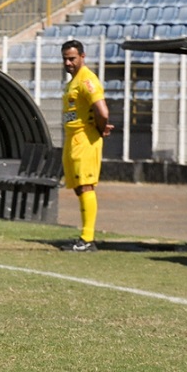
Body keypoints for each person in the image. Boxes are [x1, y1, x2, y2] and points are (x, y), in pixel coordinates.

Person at [59, 39, 113, 252]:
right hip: (72, 139)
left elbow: (103, 111)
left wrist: (99, 129)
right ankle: (85, 235)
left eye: (72, 58)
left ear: (82, 56)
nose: (68, 63)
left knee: (86, 186)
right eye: (65, 59)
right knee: (79, 188)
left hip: (85, 139)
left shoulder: (87, 80)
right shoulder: (73, 81)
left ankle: (87, 239)